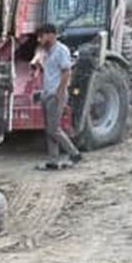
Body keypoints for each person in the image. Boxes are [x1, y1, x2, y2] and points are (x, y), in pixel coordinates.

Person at [33, 23, 81, 170]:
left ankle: (74, 153)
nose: (40, 40)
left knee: (54, 129)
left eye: (42, 36)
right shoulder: (46, 52)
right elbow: (49, 71)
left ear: (51, 35)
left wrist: (59, 94)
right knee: (49, 129)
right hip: (47, 93)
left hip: (55, 94)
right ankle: (53, 161)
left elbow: (66, 72)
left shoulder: (61, 50)